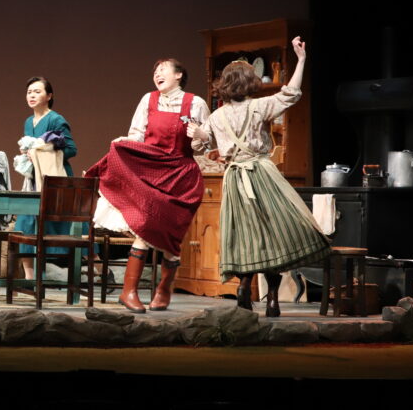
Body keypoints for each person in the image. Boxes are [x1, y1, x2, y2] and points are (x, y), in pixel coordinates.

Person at [189, 37, 331, 316]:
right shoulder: (260, 106)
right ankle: (273, 299)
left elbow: (199, 145)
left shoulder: (217, 116)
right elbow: (291, 93)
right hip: (262, 175)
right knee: (272, 233)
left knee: (244, 236)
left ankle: (244, 285)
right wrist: (301, 60)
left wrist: (199, 135)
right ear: (249, 82)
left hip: (235, 179)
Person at [86, 59, 210, 313]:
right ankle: (129, 291)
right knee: (145, 226)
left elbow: (205, 144)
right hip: (153, 172)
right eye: (155, 71)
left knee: (172, 236)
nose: (157, 74)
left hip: (182, 177)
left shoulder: (196, 103)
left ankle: (164, 287)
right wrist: (125, 143)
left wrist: (198, 136)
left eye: (163, 69)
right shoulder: (148, 100)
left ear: (179, 75)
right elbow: (137, 135)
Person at [14, 77, 79, 280]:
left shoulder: (56, 120)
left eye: (37, 91)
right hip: (36, 180)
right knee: (25, 224)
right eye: (29, 92)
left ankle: (95, 268)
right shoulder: (28, 122)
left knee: (67, 224)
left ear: (49, 96)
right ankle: (30, 277)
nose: (32, 95)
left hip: (55, 177)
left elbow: (71, 149)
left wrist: (44, 152)